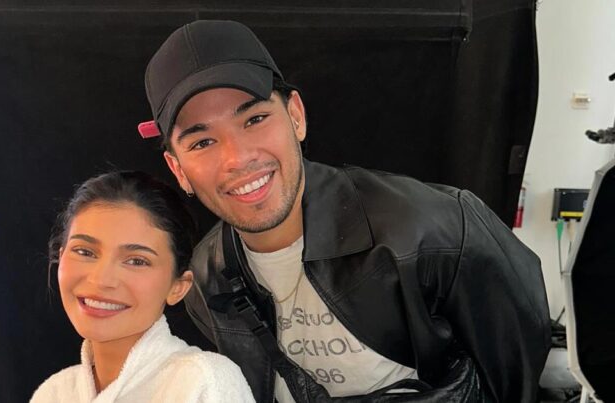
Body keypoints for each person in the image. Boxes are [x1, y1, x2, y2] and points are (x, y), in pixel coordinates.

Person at [139, 20, 551, 402]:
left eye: (255, 119)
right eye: (202, 142)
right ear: (179, 169)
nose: (238, 158)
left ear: (296, 116)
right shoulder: (207, 280)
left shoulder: (434, 232)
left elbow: (516, 371)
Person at [31, 171, 255, 403]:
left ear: (178, 287)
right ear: (61, 257)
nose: (101, 280)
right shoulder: (54, 393)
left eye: (137, 261)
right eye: (84, 252)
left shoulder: (203, 381)